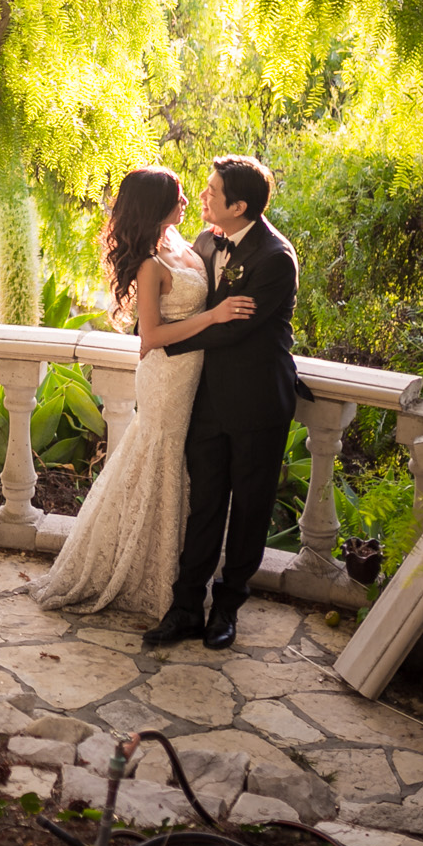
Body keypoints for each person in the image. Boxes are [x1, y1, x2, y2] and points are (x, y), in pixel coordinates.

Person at [25, 167, 254, 620]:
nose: (188, 201)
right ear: (156, 204)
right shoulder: (152, 263)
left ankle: (164, 564)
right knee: (158, 459)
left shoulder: (184, 243)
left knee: (173, 463)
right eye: (179, 196)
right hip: (166, 376)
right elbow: (150, 334)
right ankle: (136, 570)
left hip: (193, 374)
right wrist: (216, 316)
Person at [141, 154, 309, 652]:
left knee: (250, 510)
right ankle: (185, 608)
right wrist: (157, 329)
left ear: (239, 206)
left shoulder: (275, 258)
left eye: (213, 191)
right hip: (208, 400)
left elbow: (235, 327)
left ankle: (227, 608)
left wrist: (163, 339)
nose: (204, 196)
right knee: (205, 505)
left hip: (259, 401)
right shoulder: (204, 240)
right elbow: (195, 304)